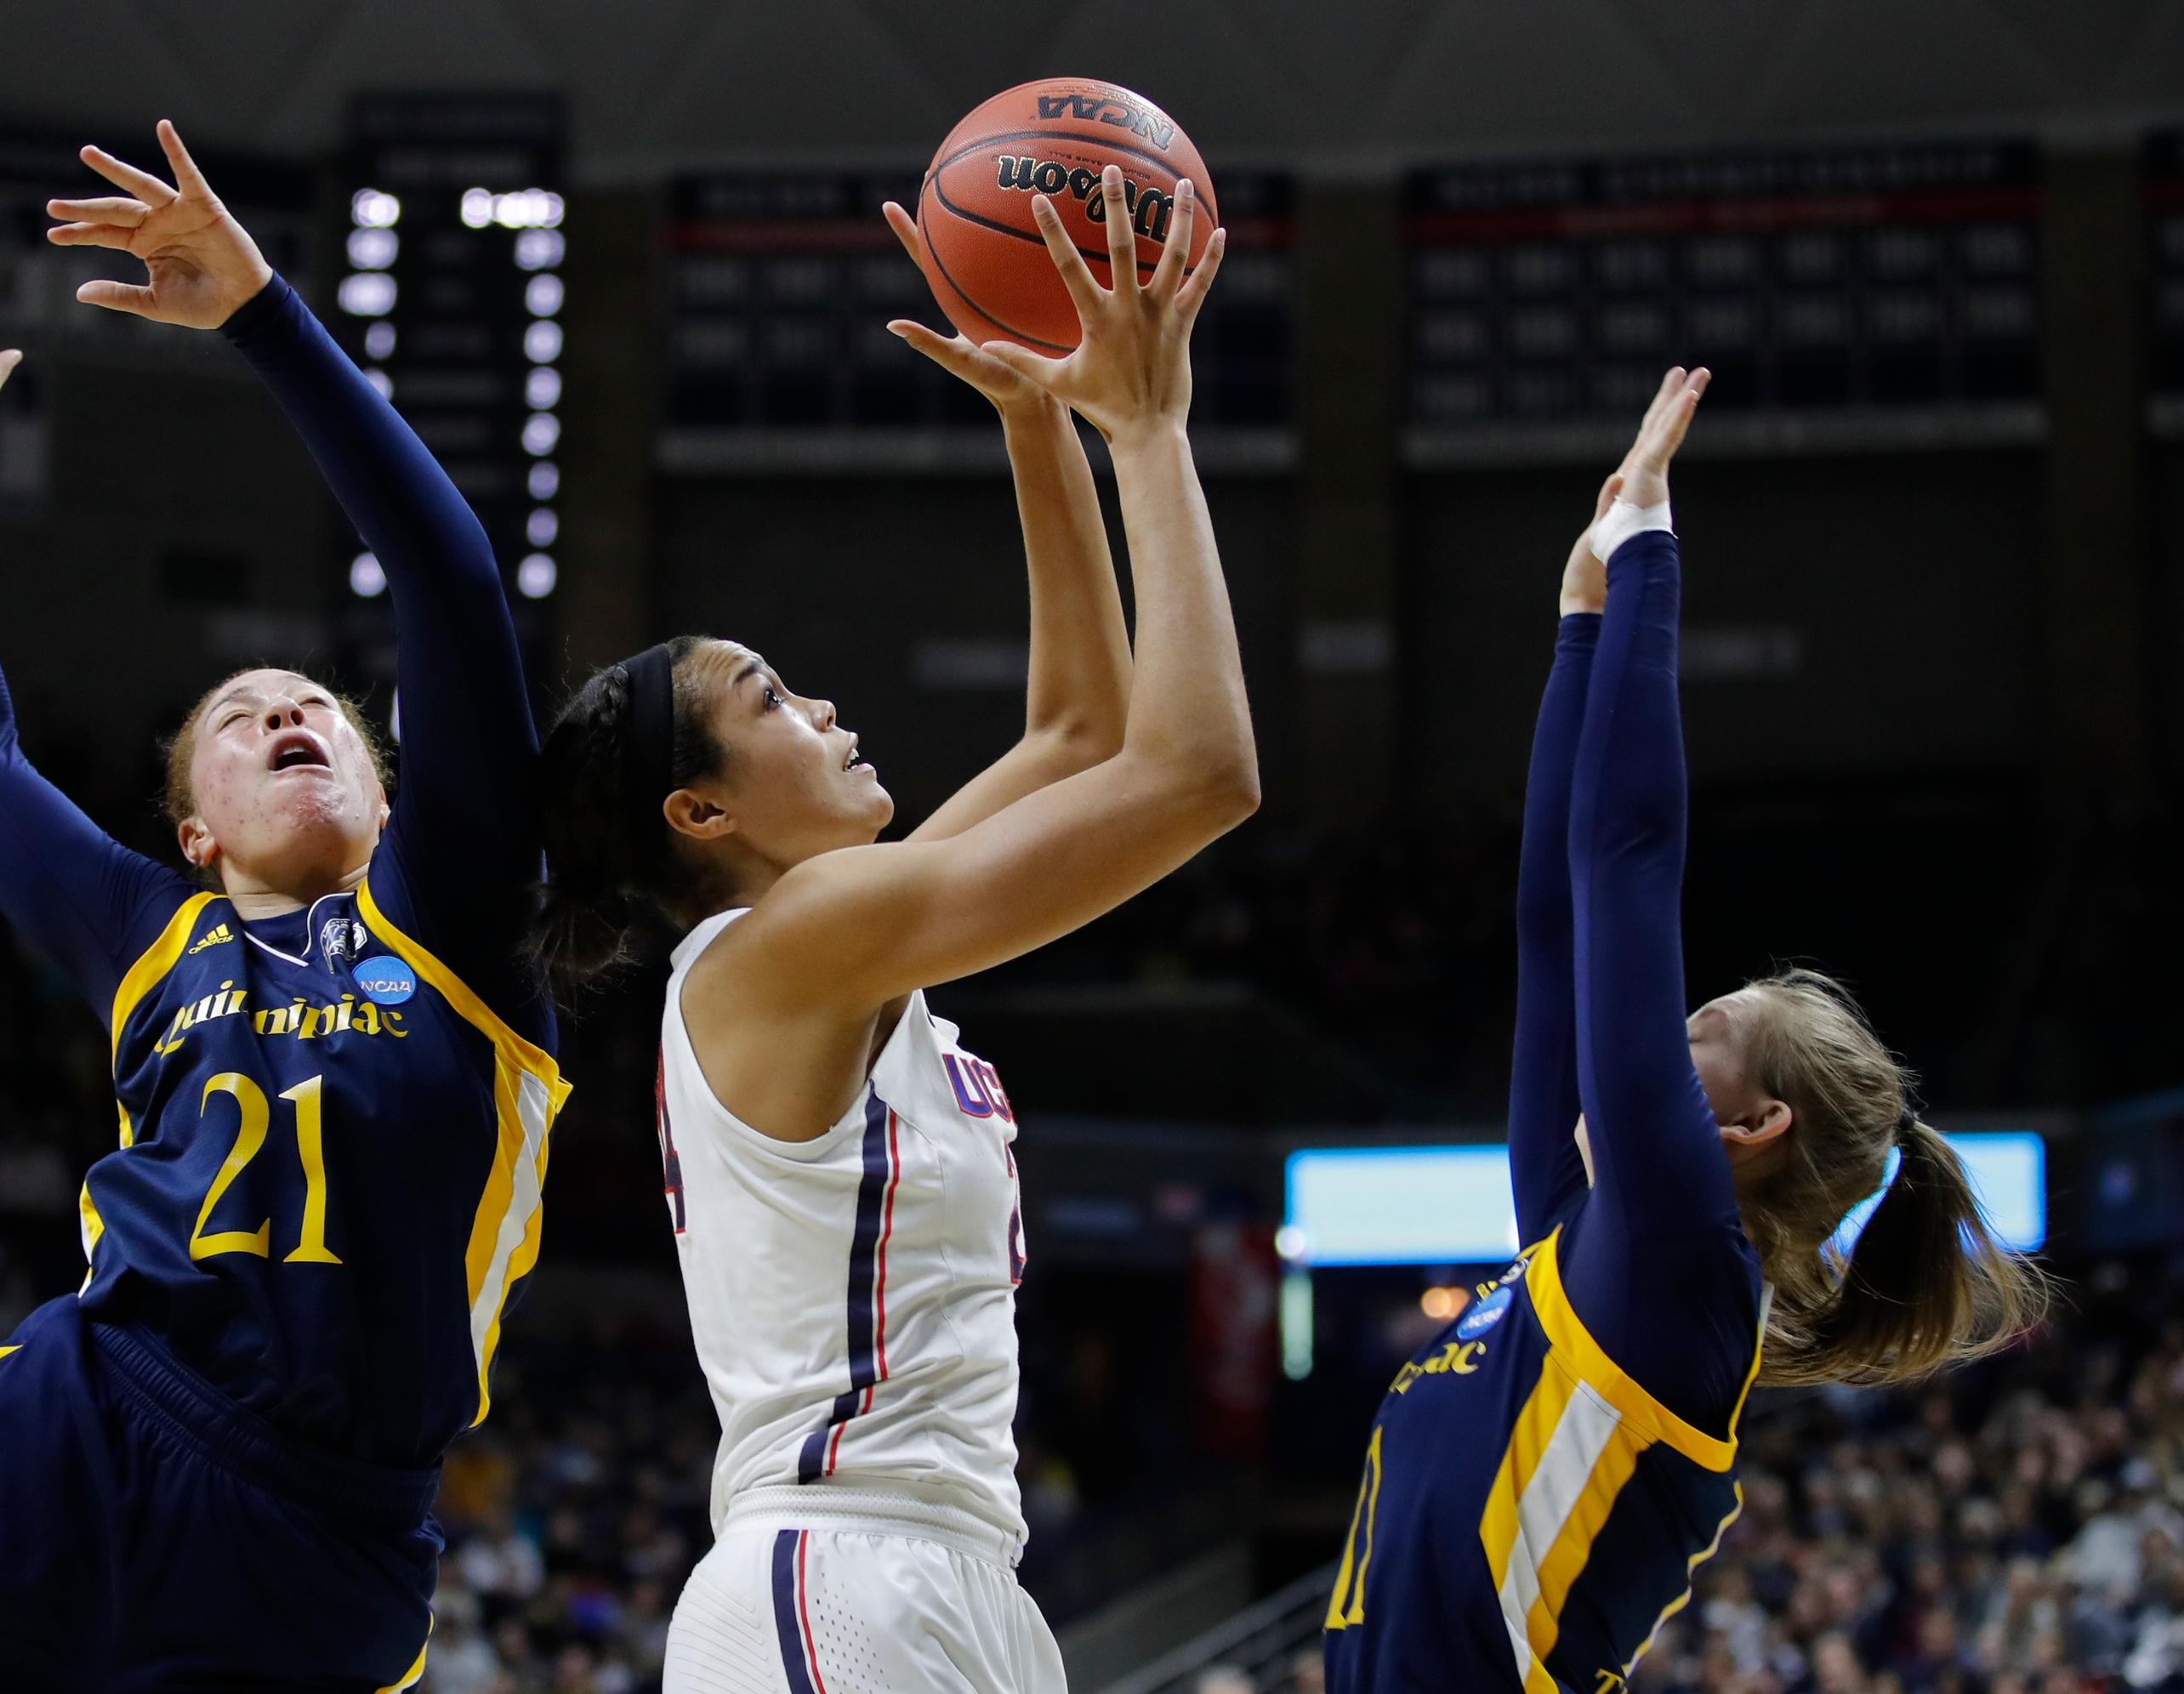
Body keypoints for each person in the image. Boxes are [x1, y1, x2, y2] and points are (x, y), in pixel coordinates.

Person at [0, 124, 562, 1692]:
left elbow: (450, 579)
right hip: (78, 1436)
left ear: (392, 793)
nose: (291, 715)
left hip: (324, 1542)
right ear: (195, 834)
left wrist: (269, 310)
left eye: (323, 710)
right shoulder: (154, 939)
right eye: (243, 716)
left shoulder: (458, 920)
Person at [530, 169, 1252, 1693]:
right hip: (833, 1570)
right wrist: (1149, 431)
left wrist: (1033, 414)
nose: (828, 708)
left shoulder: (832, 943)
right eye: (774, 702)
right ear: (702, 816)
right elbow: (1195, 773)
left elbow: (1078, 729)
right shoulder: (794, 945)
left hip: (953, 1573)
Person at [1319, 369, 2048, 1694]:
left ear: (1751, 1127)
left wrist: (1650, 546)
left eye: (1702, 1026)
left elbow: (1627, 863)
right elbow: (1551, 927)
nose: (1660, 1027)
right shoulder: (1579, 1247)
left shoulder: (1678, 1259)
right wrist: (1578, 628)